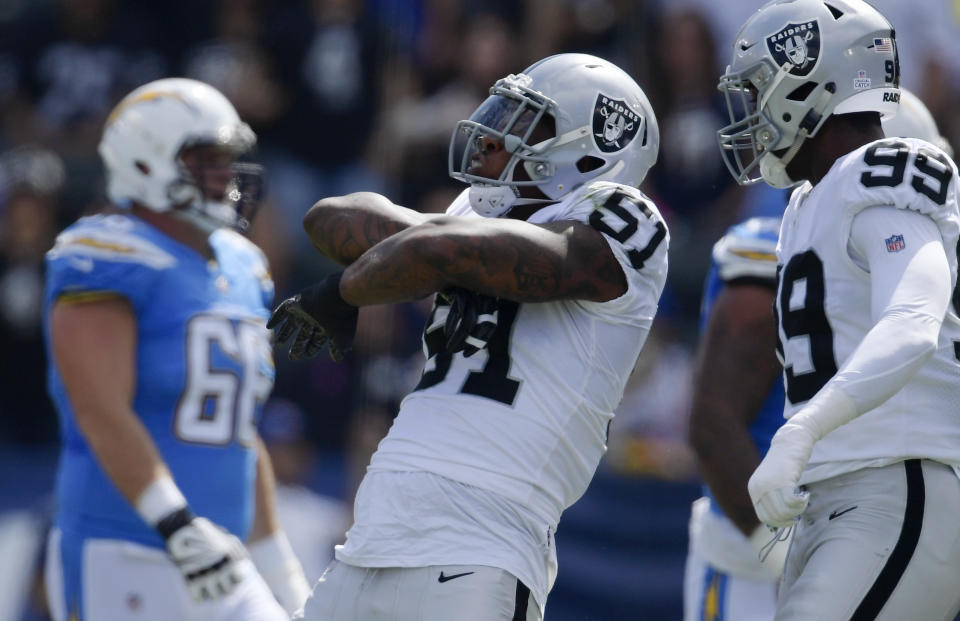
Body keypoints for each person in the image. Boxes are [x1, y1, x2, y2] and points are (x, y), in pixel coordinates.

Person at [269, 52, 669, 620]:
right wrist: (415, 248)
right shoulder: (473, 213)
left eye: (525, 120)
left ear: (589, 146)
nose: (493, 134)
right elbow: (330, 217)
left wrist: (341, 293)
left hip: (480, 550)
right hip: (370, 540)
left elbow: (444, 248)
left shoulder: (625, 218)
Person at [717, 1, 960, 619]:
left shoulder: (878, 172)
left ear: (809, 83)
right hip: (835, 496)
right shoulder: (807, 204)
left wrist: (801, 429)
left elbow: (913, 320)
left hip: (896, 478)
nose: (751, 112)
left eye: (757, 90)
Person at [42, 78, 308, 620]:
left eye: (229, 158)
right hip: (127, 546)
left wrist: (279, 565)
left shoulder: (241, 263)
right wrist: (176, 525)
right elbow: (99, 411)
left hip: (222, 553)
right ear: (146, 161)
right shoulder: (109, 250)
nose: (227, 176)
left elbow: (236, 430)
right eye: (207, 158)